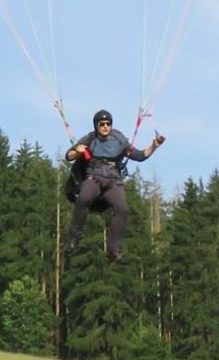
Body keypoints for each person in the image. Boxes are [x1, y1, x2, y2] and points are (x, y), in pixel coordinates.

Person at [62, 110, 164, 260]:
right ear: (96, 126)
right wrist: (77, 152)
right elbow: (69, 156)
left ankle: (114, 249)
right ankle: (73, 239)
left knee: (122, 209)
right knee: (83, 199)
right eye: (102, 124)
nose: (105, 126)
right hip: (94, 177)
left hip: (113, 181)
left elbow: (139, 156)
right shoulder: (90, 138)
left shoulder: (119, 139)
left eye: (108, 124)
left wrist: (154, 146)